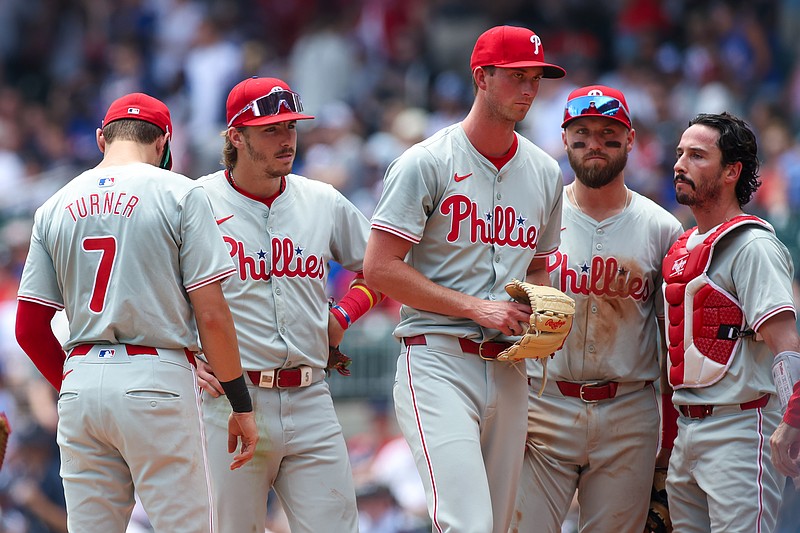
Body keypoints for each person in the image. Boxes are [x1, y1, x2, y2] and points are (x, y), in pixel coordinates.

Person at [13, 92, 258, 532]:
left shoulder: (53, 205)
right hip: (156, 377)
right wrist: (241, 403)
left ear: (100, 139)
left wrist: (73, 383)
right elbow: (214, 316)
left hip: (81, 382)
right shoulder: (181, 192)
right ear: (164, 141)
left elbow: (29, 328)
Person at [363, 25, 566, 533]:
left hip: (509, 367)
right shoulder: (426, 163)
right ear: (481, 76)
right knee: (466, 523)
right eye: (517, 75)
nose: (529, 88)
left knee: (497, 526)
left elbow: (538, 266)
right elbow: (379, 268)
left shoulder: (543, 172)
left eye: (536, 77)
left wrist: (538, 308)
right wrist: (477, 307)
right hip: (438, 361)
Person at [195, 76, 384, 533]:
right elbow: (156, 294)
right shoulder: (194, 203)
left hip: (311, 396)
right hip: (230, 401)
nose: (286, 140)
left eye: (291, 127)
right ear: (236, 137)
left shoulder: (320, 200)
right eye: (271, 130)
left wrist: (344, 314)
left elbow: (384, 267)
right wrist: (182, 354)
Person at [510, 85, 683, 532]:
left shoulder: (661, 228)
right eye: (582, 133)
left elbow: (671, 344)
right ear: (565, 140)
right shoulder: (535, 216)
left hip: (628, 412)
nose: (594, 144)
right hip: (544, 404)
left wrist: (670, 434)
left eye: (609, 133)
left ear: (630, 140)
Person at [658, 111, 800, 532]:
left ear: (731, 171)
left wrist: (793, 422)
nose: (680, 164)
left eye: (698, 156)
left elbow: (786, 344)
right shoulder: (682, 245)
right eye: (680, 153)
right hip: (688, 432)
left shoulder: (753, 244)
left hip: (743, 428)